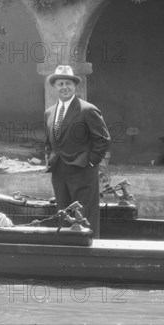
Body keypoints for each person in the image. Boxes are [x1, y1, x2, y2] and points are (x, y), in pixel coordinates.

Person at [44, 65, 111, 238]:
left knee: (85, 214)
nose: (64, 87)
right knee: (64, 212)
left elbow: (103, 139)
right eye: (60, 84)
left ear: (75, 86)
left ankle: (90, 251)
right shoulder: (49, 113)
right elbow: (49, 142)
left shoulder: (87, 110)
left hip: (82, 171)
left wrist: (90, 162)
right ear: (55, 87)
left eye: (68, 83)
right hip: (59, 171)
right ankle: (68, 252)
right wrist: (49, 159)